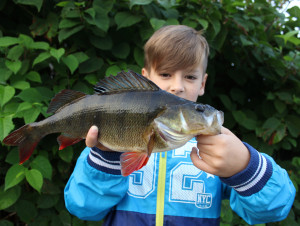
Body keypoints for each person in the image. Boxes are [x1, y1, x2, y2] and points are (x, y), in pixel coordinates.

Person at [64, 25, 295, 225]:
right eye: (165, 74)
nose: (177, 86)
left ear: (203, 83)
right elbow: (82, 208)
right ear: (146, 77)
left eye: (190, 77)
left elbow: (274, 208)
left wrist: (244, 166)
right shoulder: (108, 148)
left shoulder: (218, 151)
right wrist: (108, 158)